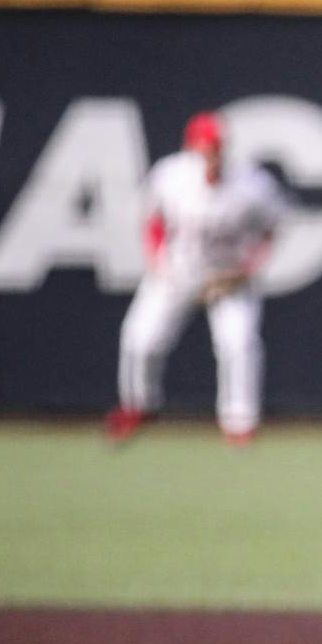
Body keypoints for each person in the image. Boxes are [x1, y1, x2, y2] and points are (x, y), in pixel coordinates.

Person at [104, 112, 288, 447]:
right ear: (190, 147)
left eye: (216, 147)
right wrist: (159, 262)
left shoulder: (252, 183)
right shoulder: (169, 175)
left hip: (228, 277)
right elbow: (152, 219)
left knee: (239, 343)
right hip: (178, 271)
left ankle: (239, 421)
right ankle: (138, 404)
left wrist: (247, 270)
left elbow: (272, 228)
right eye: (204, 147)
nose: (211, 154)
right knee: (140, 339)